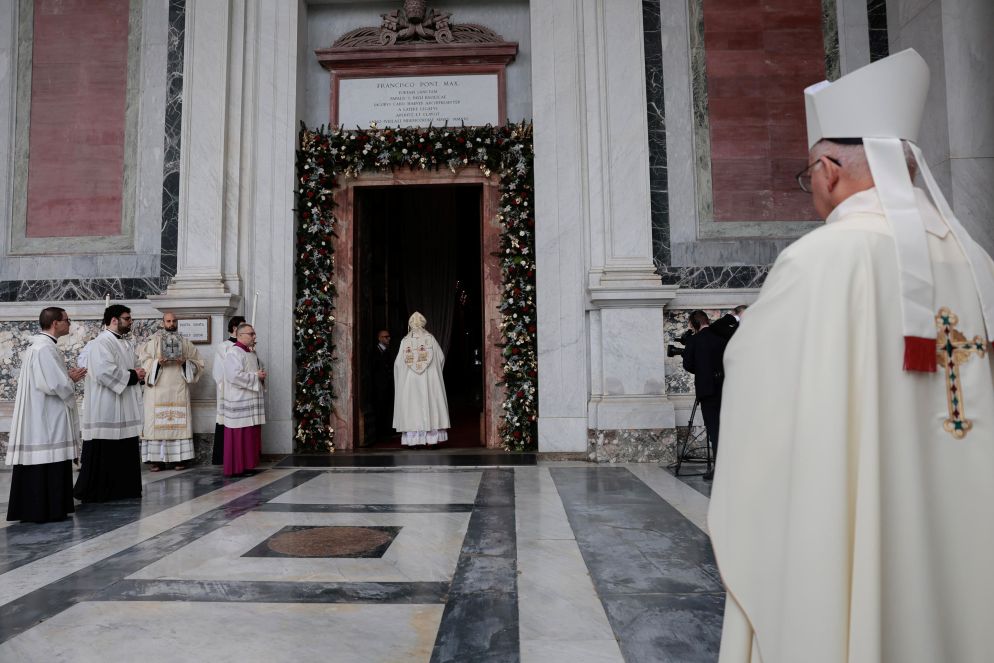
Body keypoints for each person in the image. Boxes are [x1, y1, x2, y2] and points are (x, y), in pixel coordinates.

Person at [709, 49, 994, 663]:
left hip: (859, 525)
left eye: (807, 173)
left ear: (829, 169)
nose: (811, 185)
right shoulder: (978, 266)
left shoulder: (823, 260)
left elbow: (758, 389)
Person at [6, 307, 86, 523]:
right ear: (55, 324)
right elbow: (54, 384)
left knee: (44, 460)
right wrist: (71, 381)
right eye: (66, 320)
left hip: (42, 412)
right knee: (49, 457)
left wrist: (65, 376)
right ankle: (47, 509)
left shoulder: (41, 346)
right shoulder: (45, 349)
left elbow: (49, 378)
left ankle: (43, 508)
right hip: (47, 415)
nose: (69, 323)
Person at [74, 305, 146, 502]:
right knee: (104, 449)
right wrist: (133, 375)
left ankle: (122, 489)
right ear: (114, 320)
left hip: (123, 404)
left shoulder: (124, 343)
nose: (130, 322)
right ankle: (98, 490)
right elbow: (104, 372)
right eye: (127, 318)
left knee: (124, 447)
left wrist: (138, 374)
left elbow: (129, 367)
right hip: (106, 405)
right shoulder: (101, 343)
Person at [138, 312, 205, 471]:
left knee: (178, 425)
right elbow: (144, 362)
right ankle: (157, 460)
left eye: (174, 321)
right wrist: (157, 363)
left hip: (178, 388)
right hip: (157, 389)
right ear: (163, 323)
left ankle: (179, 459)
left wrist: (185, 363)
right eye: (168, 321)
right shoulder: (153, 343)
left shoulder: (186, 343)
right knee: (156, 425)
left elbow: (199, 364)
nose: (171, 323)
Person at [681, 310, 727, 479]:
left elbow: (688, 365)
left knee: (714, 428)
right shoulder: (721, 339)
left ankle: (718, 467)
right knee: (726, 426)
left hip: (707, 390)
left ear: (694, 324)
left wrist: (702, 370)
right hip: (724, 387)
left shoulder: (694, 340)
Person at [393, 312, 450, 446]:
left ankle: (414, 441)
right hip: (430, 381)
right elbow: (441, 358)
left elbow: (397, 364)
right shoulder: (430, 339)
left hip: (410, 383)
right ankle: (431, 440)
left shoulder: (405, 341)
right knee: (431, 406)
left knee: (412, 408)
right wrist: (434, 374)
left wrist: (402, 378)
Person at [220, 323, 266, 476]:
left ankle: (248, 465)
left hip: (250, 400)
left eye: (254, 333)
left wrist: (260, 376)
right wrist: (255, 376)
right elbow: (233, 376)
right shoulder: (234, 352)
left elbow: (255, 372)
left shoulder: (252, 353)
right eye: (251, 334)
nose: (254, 337)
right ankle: (237, 467)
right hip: (239, 399)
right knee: (240, 434)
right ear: (240, 336)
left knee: (249, 434)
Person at [212, 315, 245, 465]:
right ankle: (224, 457)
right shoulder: (224, 346)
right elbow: (219, 371)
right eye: (243, 327)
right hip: (228, 390)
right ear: (234, 328)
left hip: (243, 391)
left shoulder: (245, 346)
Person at [370, 329, 394, 441]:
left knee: (386, 409)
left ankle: (387, 432)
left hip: (387, 386)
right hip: (378, 387)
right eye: (385, 336)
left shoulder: (388, 351)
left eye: (388, 336)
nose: (388, 338)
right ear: (379, 338)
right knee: (379, 410)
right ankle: (379, 434)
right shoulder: (374, 351)